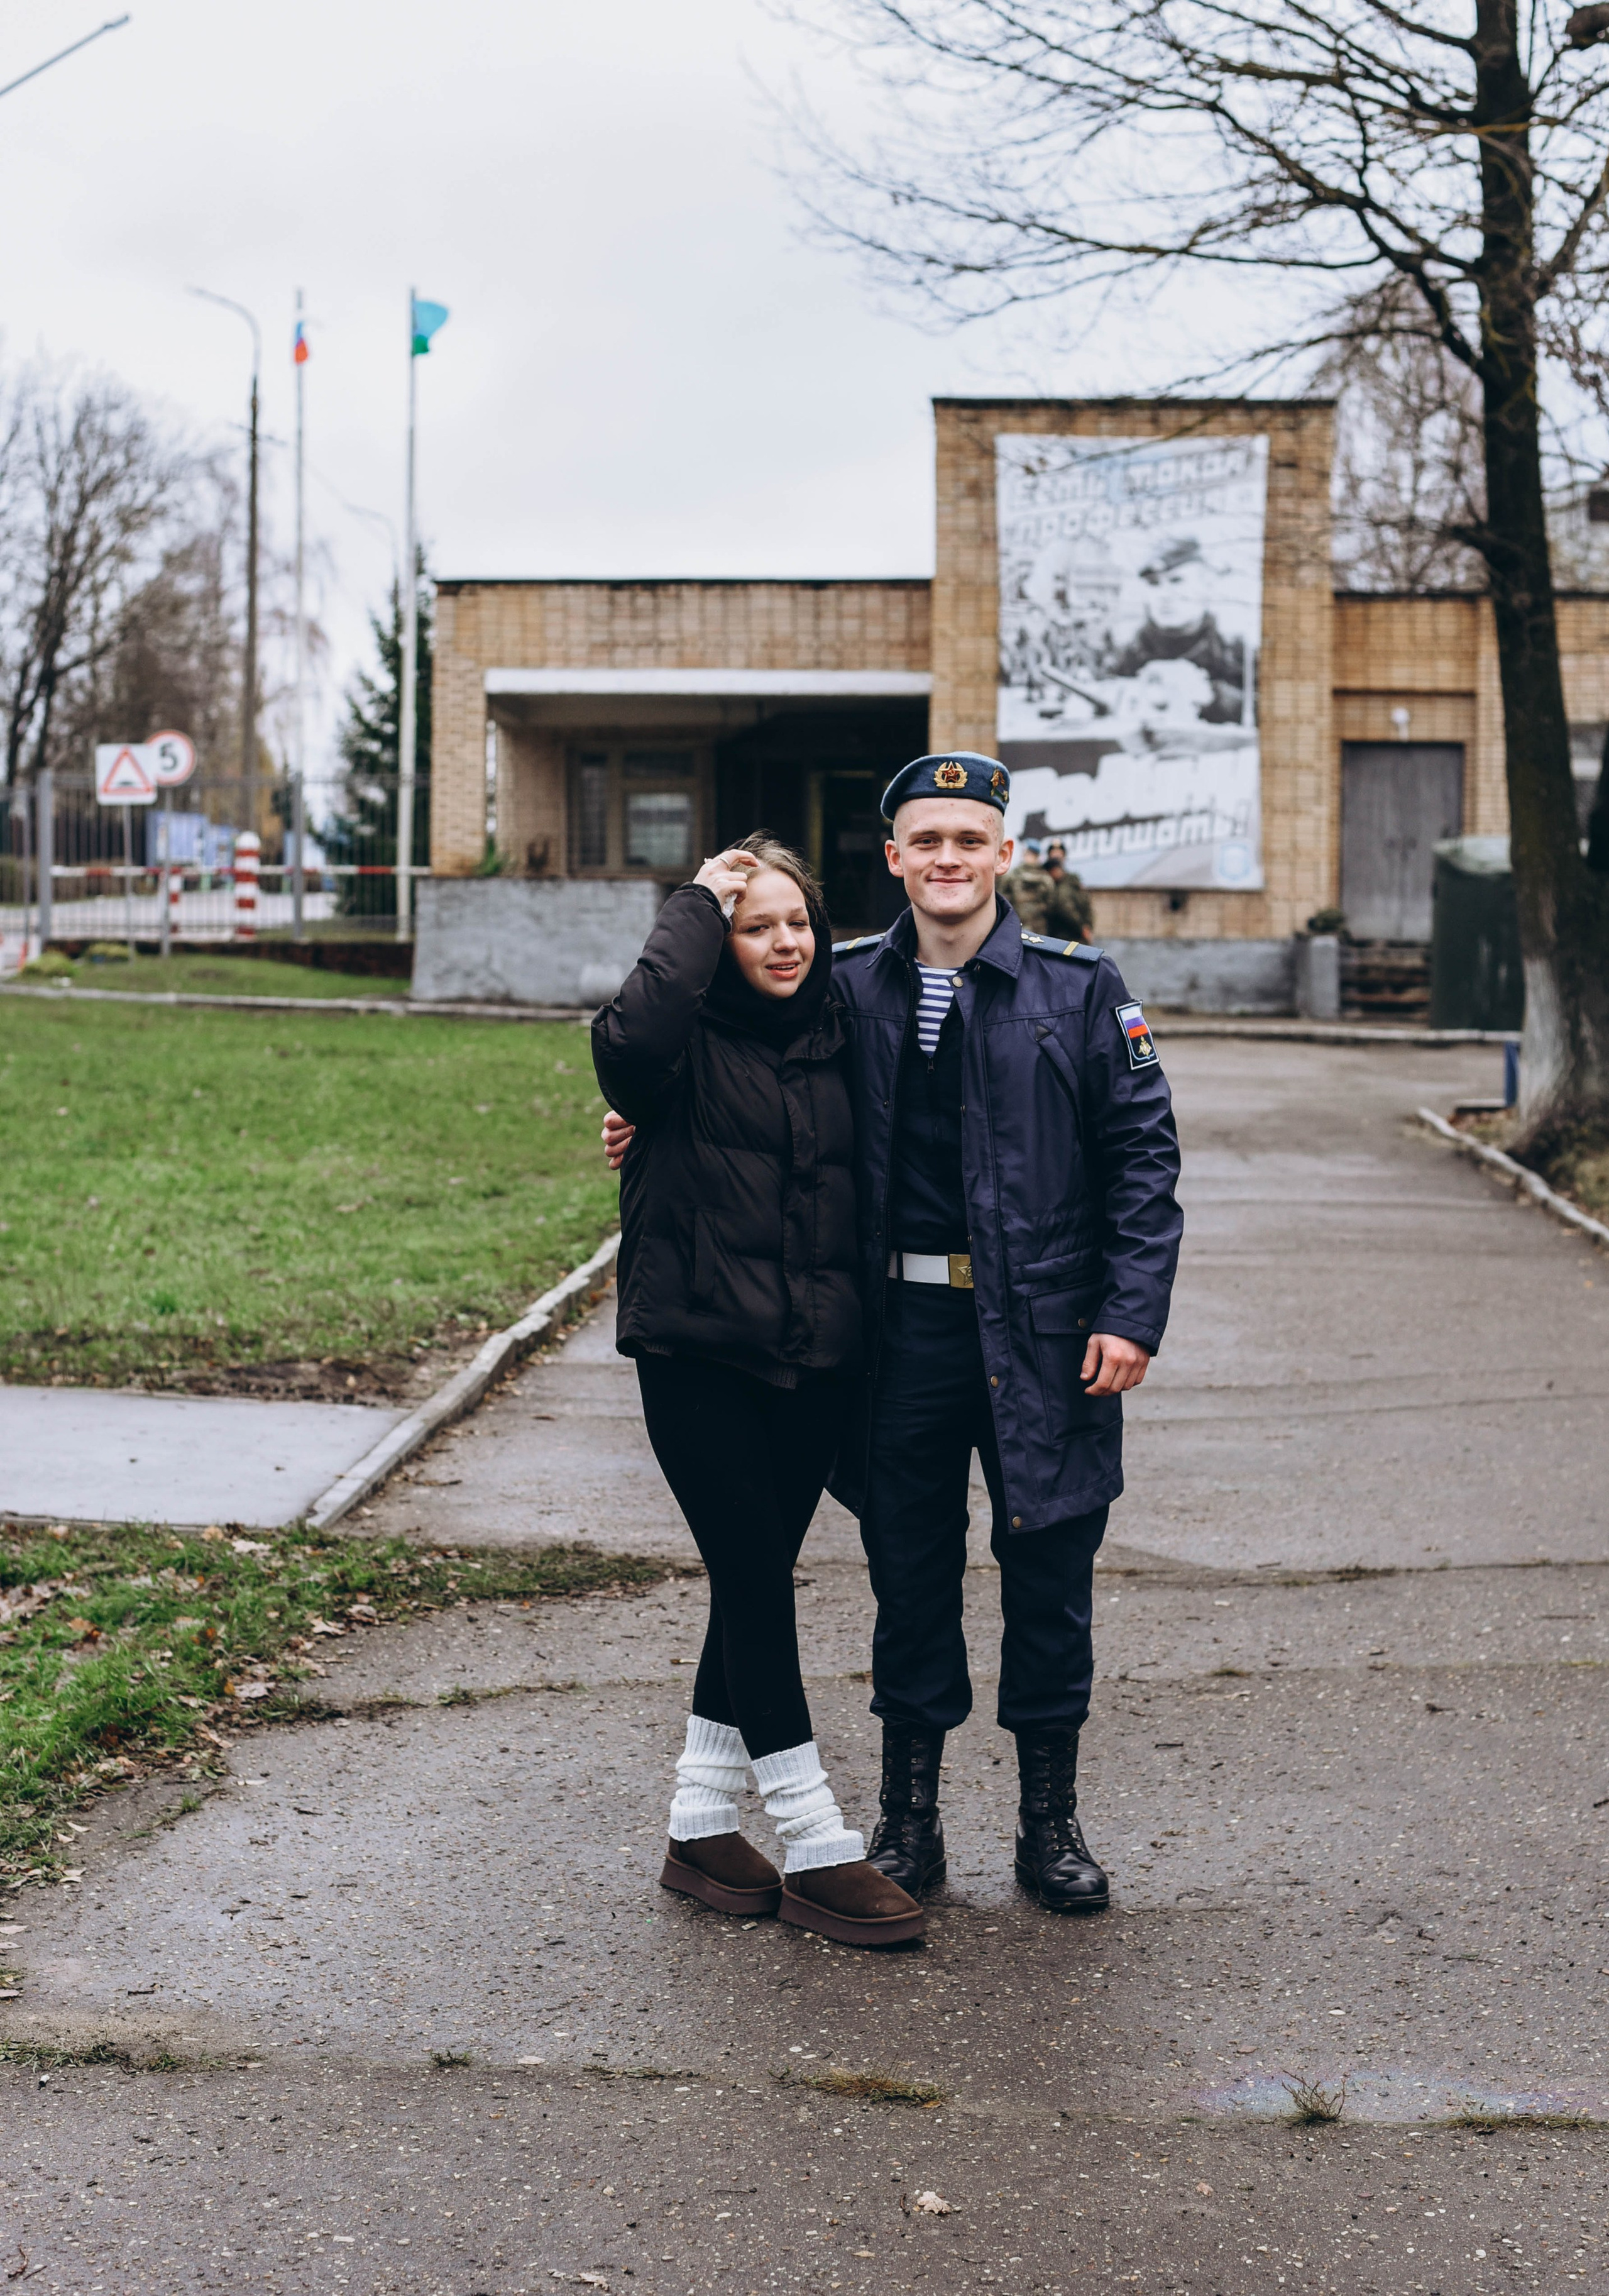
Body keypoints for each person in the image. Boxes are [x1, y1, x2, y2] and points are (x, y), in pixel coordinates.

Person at [605, 757, 1182, 1916]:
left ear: (1005, 854)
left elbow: (1143, 1157)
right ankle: (908, 1819)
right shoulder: (847, 984)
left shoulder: (1081, 989)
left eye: (972, 838)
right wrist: (645, 1118)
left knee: (1050, 1573)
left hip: (1049, 1332)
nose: (950, 859)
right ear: (895, 860)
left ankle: (1049, 1822)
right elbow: (741, 1064)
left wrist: (1131, 1311)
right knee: (908, 1573)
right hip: (896, 1329)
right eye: (927, 841)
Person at [591, 832, 925, 1950]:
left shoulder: (846, 1031)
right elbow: (629, 1039)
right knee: (755, 1580)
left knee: (752, 1579)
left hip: (819, 1357)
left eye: (797, 921)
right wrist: (699, 894)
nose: (783, 942)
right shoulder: (673, 1052)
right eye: (753, 925)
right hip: (699, 1351)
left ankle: (698, 1824)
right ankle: (813, 1834)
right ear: (710, 943)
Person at [1001, 839, 1057, 935]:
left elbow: (1051, 904)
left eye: (1030, 854)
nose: (1029, 857)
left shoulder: (1013, 875)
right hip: (1022, 925)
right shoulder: (1045, 878)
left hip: (1030, 926)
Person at [1043, 842, 1095, 944]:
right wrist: (1082, 928)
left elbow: (1085, 904)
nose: (1057, 857)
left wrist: (1088, 928)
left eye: (1059, 854)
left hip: (1074, 936)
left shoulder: (1072, 880)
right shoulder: (1042, 878)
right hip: (1053, 936)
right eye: (1054, 854)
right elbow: (1064, 907)